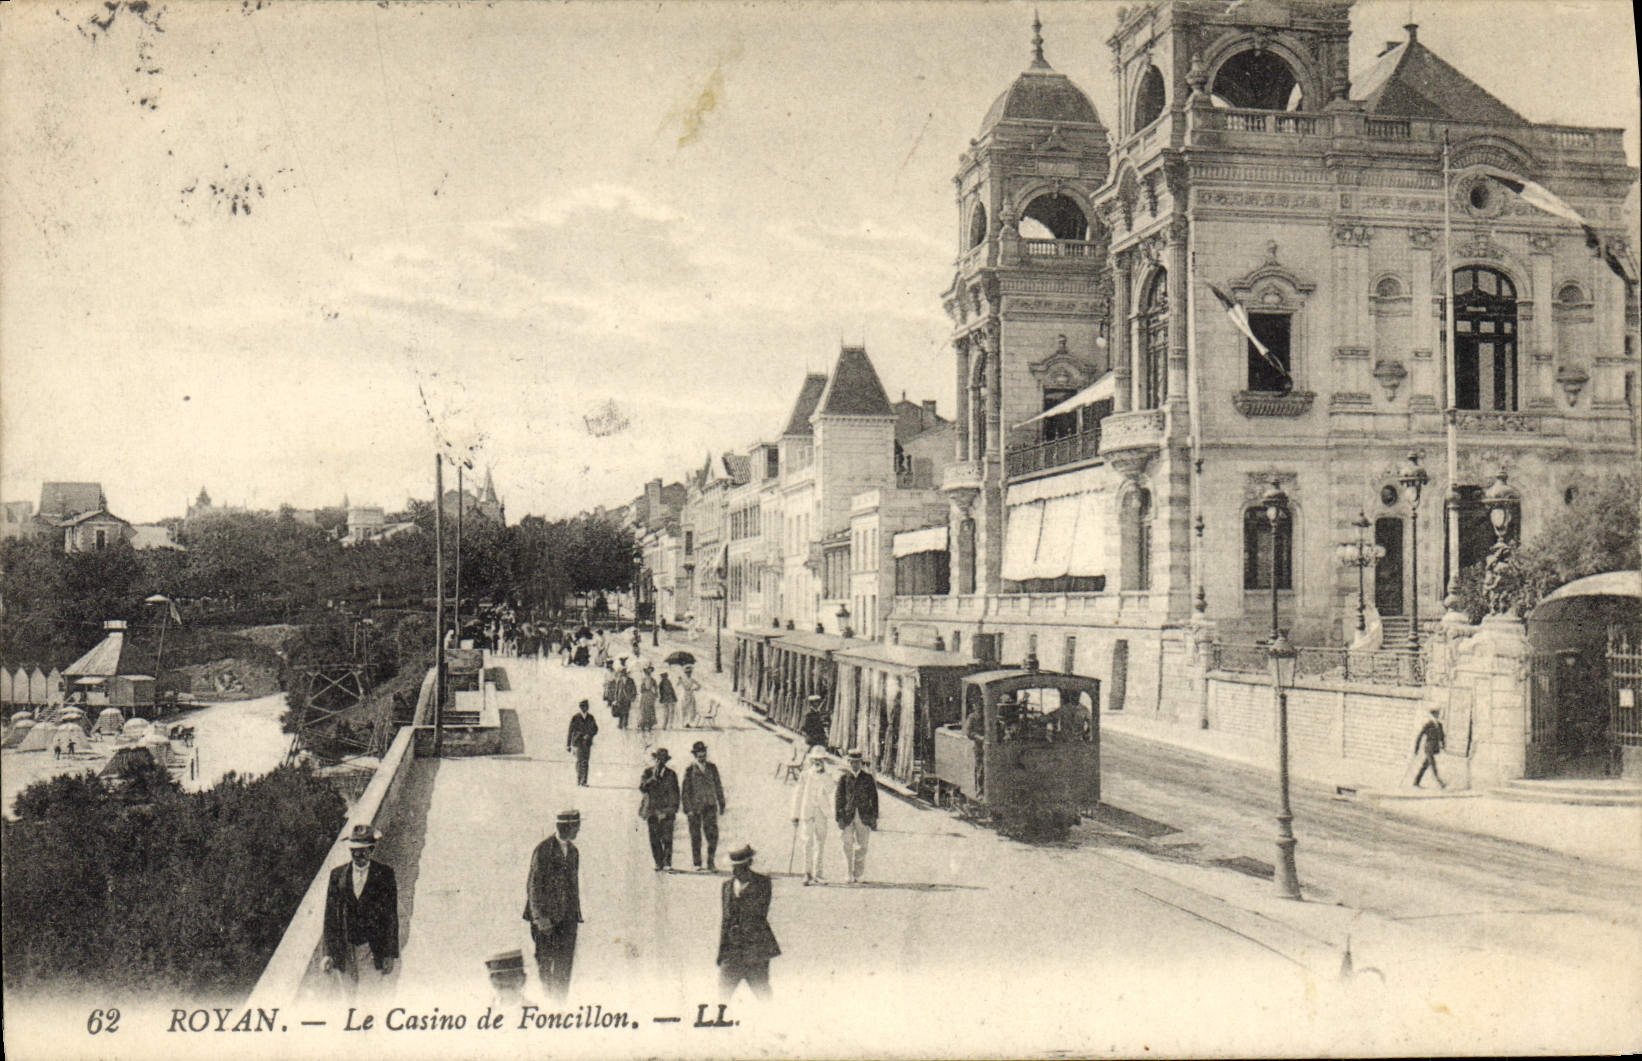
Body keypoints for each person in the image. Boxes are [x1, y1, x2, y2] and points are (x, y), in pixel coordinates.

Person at [322, 825, 399, 998]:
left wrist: (389, 954)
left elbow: (391, 917)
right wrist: (327, 953)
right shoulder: (337, 875)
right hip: (345, 949)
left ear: (371, 850)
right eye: (354, 851)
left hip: (372, 949)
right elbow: (330, 916)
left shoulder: (385, 874)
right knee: (348, 999)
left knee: (370, 998)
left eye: (363, 851)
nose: (358, 856)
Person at [524, 809, 582, 999]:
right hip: (546, 921)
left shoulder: (573, 852)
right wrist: (540, 918)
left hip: (568, 919)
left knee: (564, 966)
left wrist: (574, 915)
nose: (578, 830)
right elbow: (533, 886)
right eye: (576, 826)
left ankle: (560, 1003)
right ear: (566, 827)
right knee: (546, 965)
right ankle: (549, 1001)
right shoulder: (543, 850)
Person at [716, 844, 780, 1001]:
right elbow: (725, 920)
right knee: (721, 996)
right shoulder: (727, 886)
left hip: (755, 951)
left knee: (763, 994)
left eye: (741, 867)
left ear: (749, 864)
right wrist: (721, 952)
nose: (736, 871)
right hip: (731, 952)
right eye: (734, 867)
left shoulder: (762, 883)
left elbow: (759, 914)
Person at [682, 740, 728, 871]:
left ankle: (711, 862)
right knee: (695, 836)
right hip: (695, 808)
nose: (702, 757)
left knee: (712, 835)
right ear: (695, 755)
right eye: (699, 755)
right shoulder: (689, 770)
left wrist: (721, 803)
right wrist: (688, 809)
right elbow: (685, 791)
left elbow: (718, 785)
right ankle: (697, 863)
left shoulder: (712, 768)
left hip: (710, 805)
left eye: (704, 754)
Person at [835, 749, 879, 884]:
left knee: (862, 845)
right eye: (852, 762)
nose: (855, 765)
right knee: (847, 844)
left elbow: (874, 798)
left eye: (857, 762)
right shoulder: (844, 778)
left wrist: (874, 817)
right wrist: (839, 817)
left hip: (863, 816)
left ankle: (859, 874)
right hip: (847, 816)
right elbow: (838, 798)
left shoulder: (868, 778)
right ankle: (848, 873)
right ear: (849, 762)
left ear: (861, 763)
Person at [789, 749, 831, 885]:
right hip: (807, 812)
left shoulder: (827, 776)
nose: (818, 762)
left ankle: (818, 874)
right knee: (807, 842)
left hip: (821, 812)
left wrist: (824, 775)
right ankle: (807, 873)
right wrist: (795, 815)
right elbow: (798, 794)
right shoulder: (805, 775)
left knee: (820, 842)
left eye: (821, 760)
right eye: (815, 760)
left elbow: (831, 789)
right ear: (811, 760)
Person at [638, 747, 680, 871]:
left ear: (666, 761)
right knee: (654, 838)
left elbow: (675, 794)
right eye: (657, 759)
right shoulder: (647, 772)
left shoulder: (671, 774)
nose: (659, 762)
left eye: (662, 760)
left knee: (667, 838)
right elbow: (642, 788)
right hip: (651, 810)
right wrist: (651, 779)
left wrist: (668, 811)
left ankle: (667, 863)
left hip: (666, 811)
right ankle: (658, 862)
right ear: (654, 759)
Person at [566, 699, 599, 787]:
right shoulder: (575, 717)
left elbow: (595, 729)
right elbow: (570, 731)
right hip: (578, 742)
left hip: (587, 743)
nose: (584, 709)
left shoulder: (591, 718)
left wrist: (589, 735)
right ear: (580, 708)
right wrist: (568, 745)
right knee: (579, 760)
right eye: (583, 707)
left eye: (586, 707)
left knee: (585, 761)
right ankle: (579, 779)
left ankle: (583, 781)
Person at [1412, 707, 1447, 789]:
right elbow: (1420, 736)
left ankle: (1416, 782)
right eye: (1435, 714)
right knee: (1433, 765)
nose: (1437, 715)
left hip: (1434, 747)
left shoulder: (1439, 725)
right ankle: (1440, 782)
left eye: (1437, 714)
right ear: (1432, 715)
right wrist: (1416, 749)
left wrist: (1443, 744)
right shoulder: (1428, 724)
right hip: (1428, 747)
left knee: (1425, 765)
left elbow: (1442, 736)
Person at [637, 664, 659, 740]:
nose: (648, 673)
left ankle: (649, 725)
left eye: (649, 672)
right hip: (645, 696)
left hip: (650, 696)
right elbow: (641, 689)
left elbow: (656, 689)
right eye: (647, 672)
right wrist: (644, 688)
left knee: (650, 710)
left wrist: (655, 693)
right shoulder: (643, 680)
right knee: (643, 710)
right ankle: (643, 725)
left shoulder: (653, 680)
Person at [612, 660, 635, 729]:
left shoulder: (630, 680)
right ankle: (620, 724)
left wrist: (633, 697)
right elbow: (617, 690)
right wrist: (616, 698)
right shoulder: (619, 680)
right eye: (622, 673)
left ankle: (625, 724)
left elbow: (634, 689)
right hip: (620, 698)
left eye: (624, 672)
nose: (623, 674)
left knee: (626, 711)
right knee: (620, 711)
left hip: (627, 698)